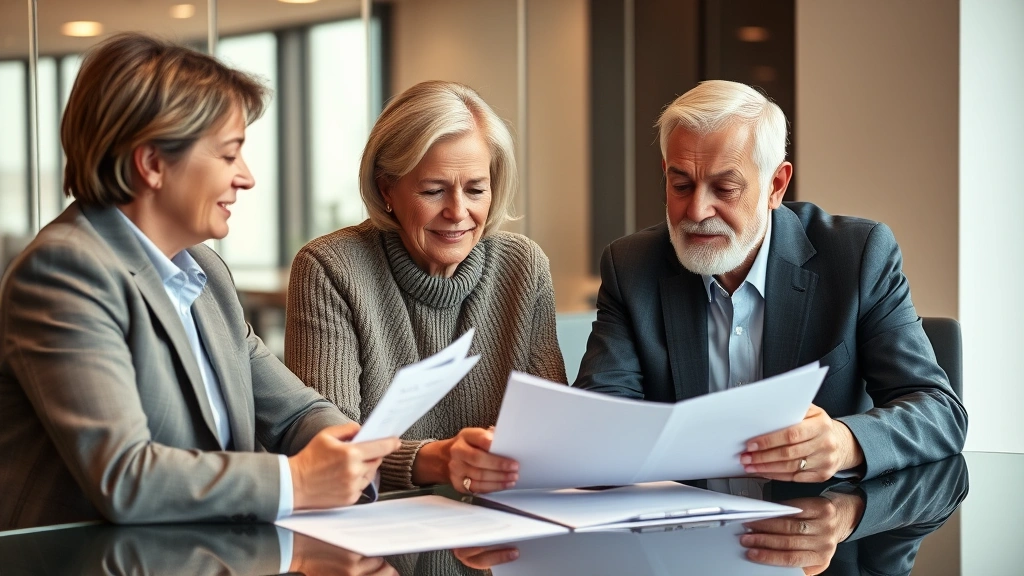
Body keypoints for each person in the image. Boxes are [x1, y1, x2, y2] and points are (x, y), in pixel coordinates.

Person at [0, 33, 399, 531]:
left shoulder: (205, 273)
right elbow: (125, 478)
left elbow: (296, 414)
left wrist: (351, 452)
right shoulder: (66, 271)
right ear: (151, 163)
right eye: (230, 155)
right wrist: (296, 481)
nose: (247, 177)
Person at [574, 80, 966, 482]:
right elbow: (599, 420)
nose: (696, 209)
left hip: (820, 527)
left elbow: (938, 411)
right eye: (681, 185)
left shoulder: (857, 256)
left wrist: (845, 441)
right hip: (683, 529)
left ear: (776, 185)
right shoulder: (631, 266)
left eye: (724, 188)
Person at [286, 80, 566, 495]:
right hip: (377, 533)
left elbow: (553, 425)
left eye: (475, 189)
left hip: (500, 524)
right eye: (433, 191)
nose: (458, 212)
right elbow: (330, 449)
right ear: (387, 191)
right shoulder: (330, 269)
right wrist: (437, 459)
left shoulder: (523, 266)